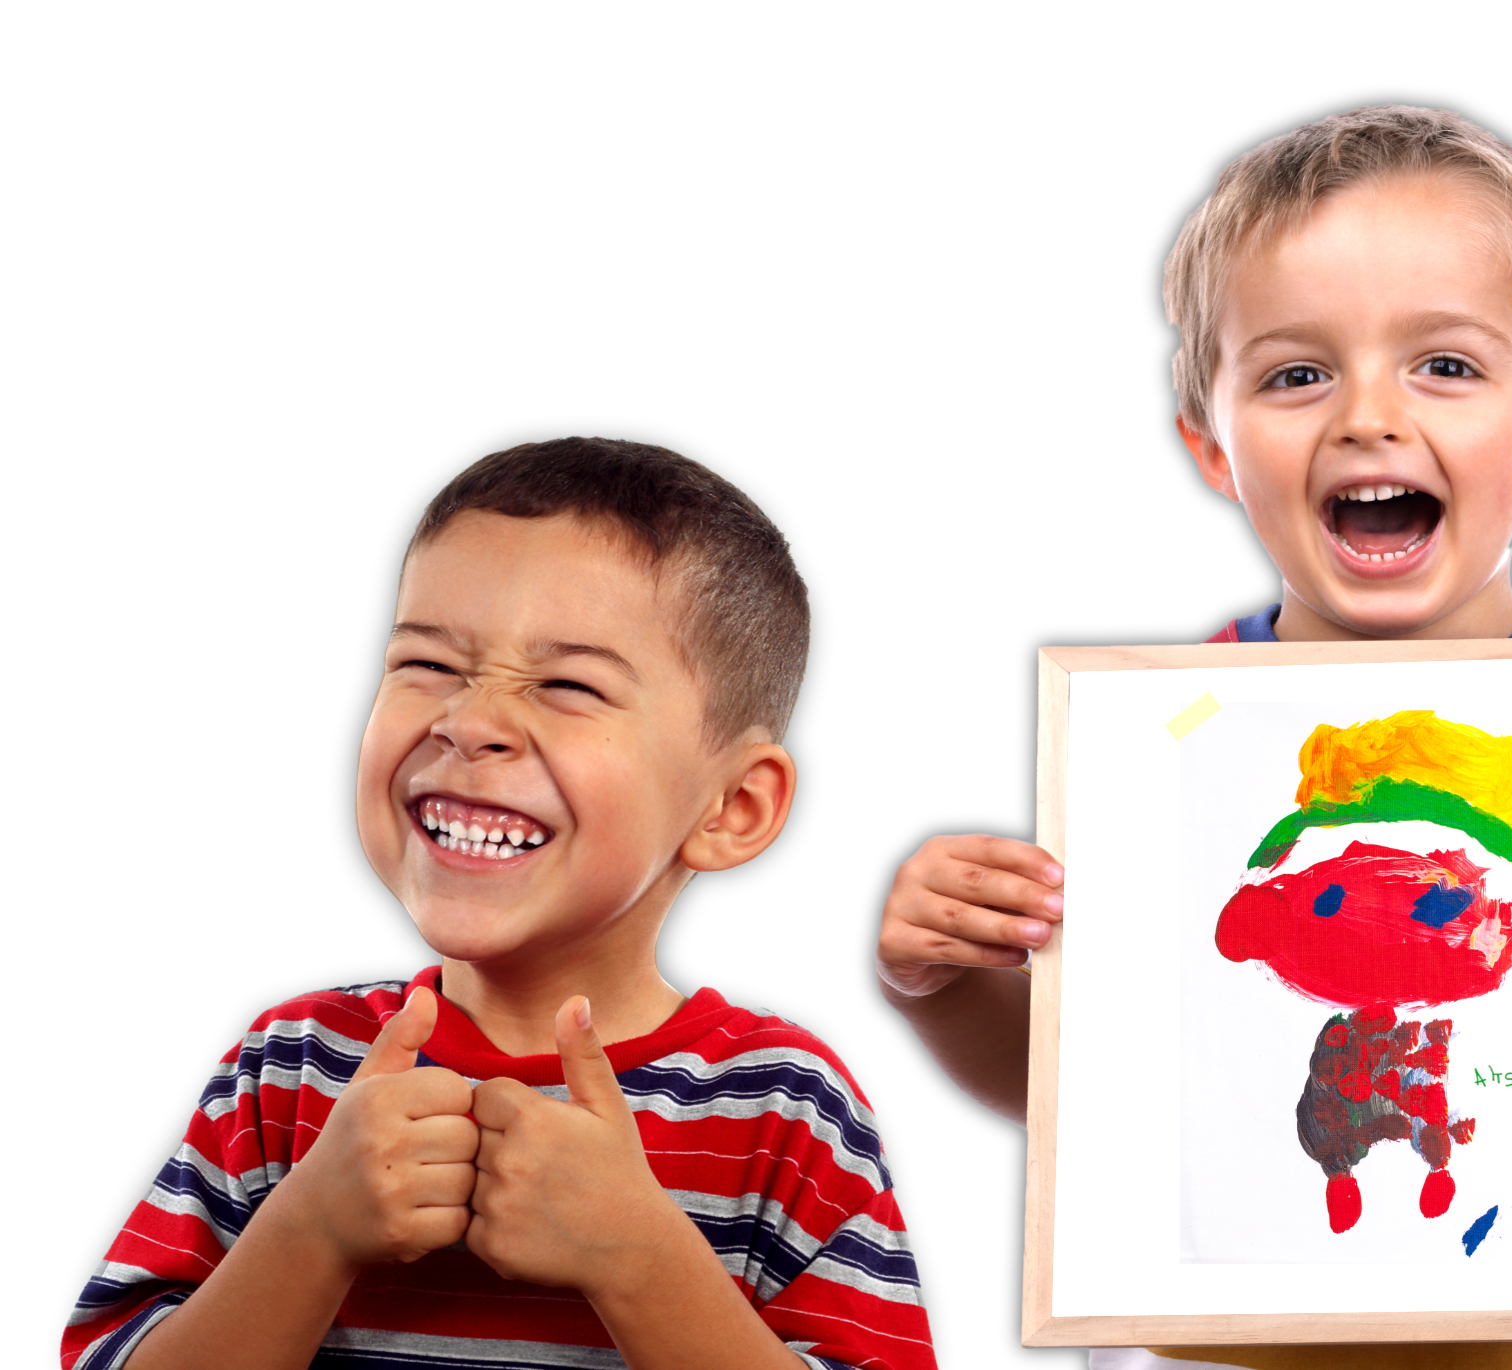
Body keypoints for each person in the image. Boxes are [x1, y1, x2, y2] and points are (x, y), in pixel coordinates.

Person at [873, 106, 1512, 1370]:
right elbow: (1097, 1105)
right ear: (1210, 447)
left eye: (1444, 365)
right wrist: (936, 986)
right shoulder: (1155, 747)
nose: (1367, 416)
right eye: (1295, 375)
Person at [64, 439, 939, 1370]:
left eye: (567, 685)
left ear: (732, 808)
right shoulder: (287, 1072)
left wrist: (641, 1263)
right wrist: (307, 1231)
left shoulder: (787, 1111)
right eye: (428, 663)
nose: (468, 722)